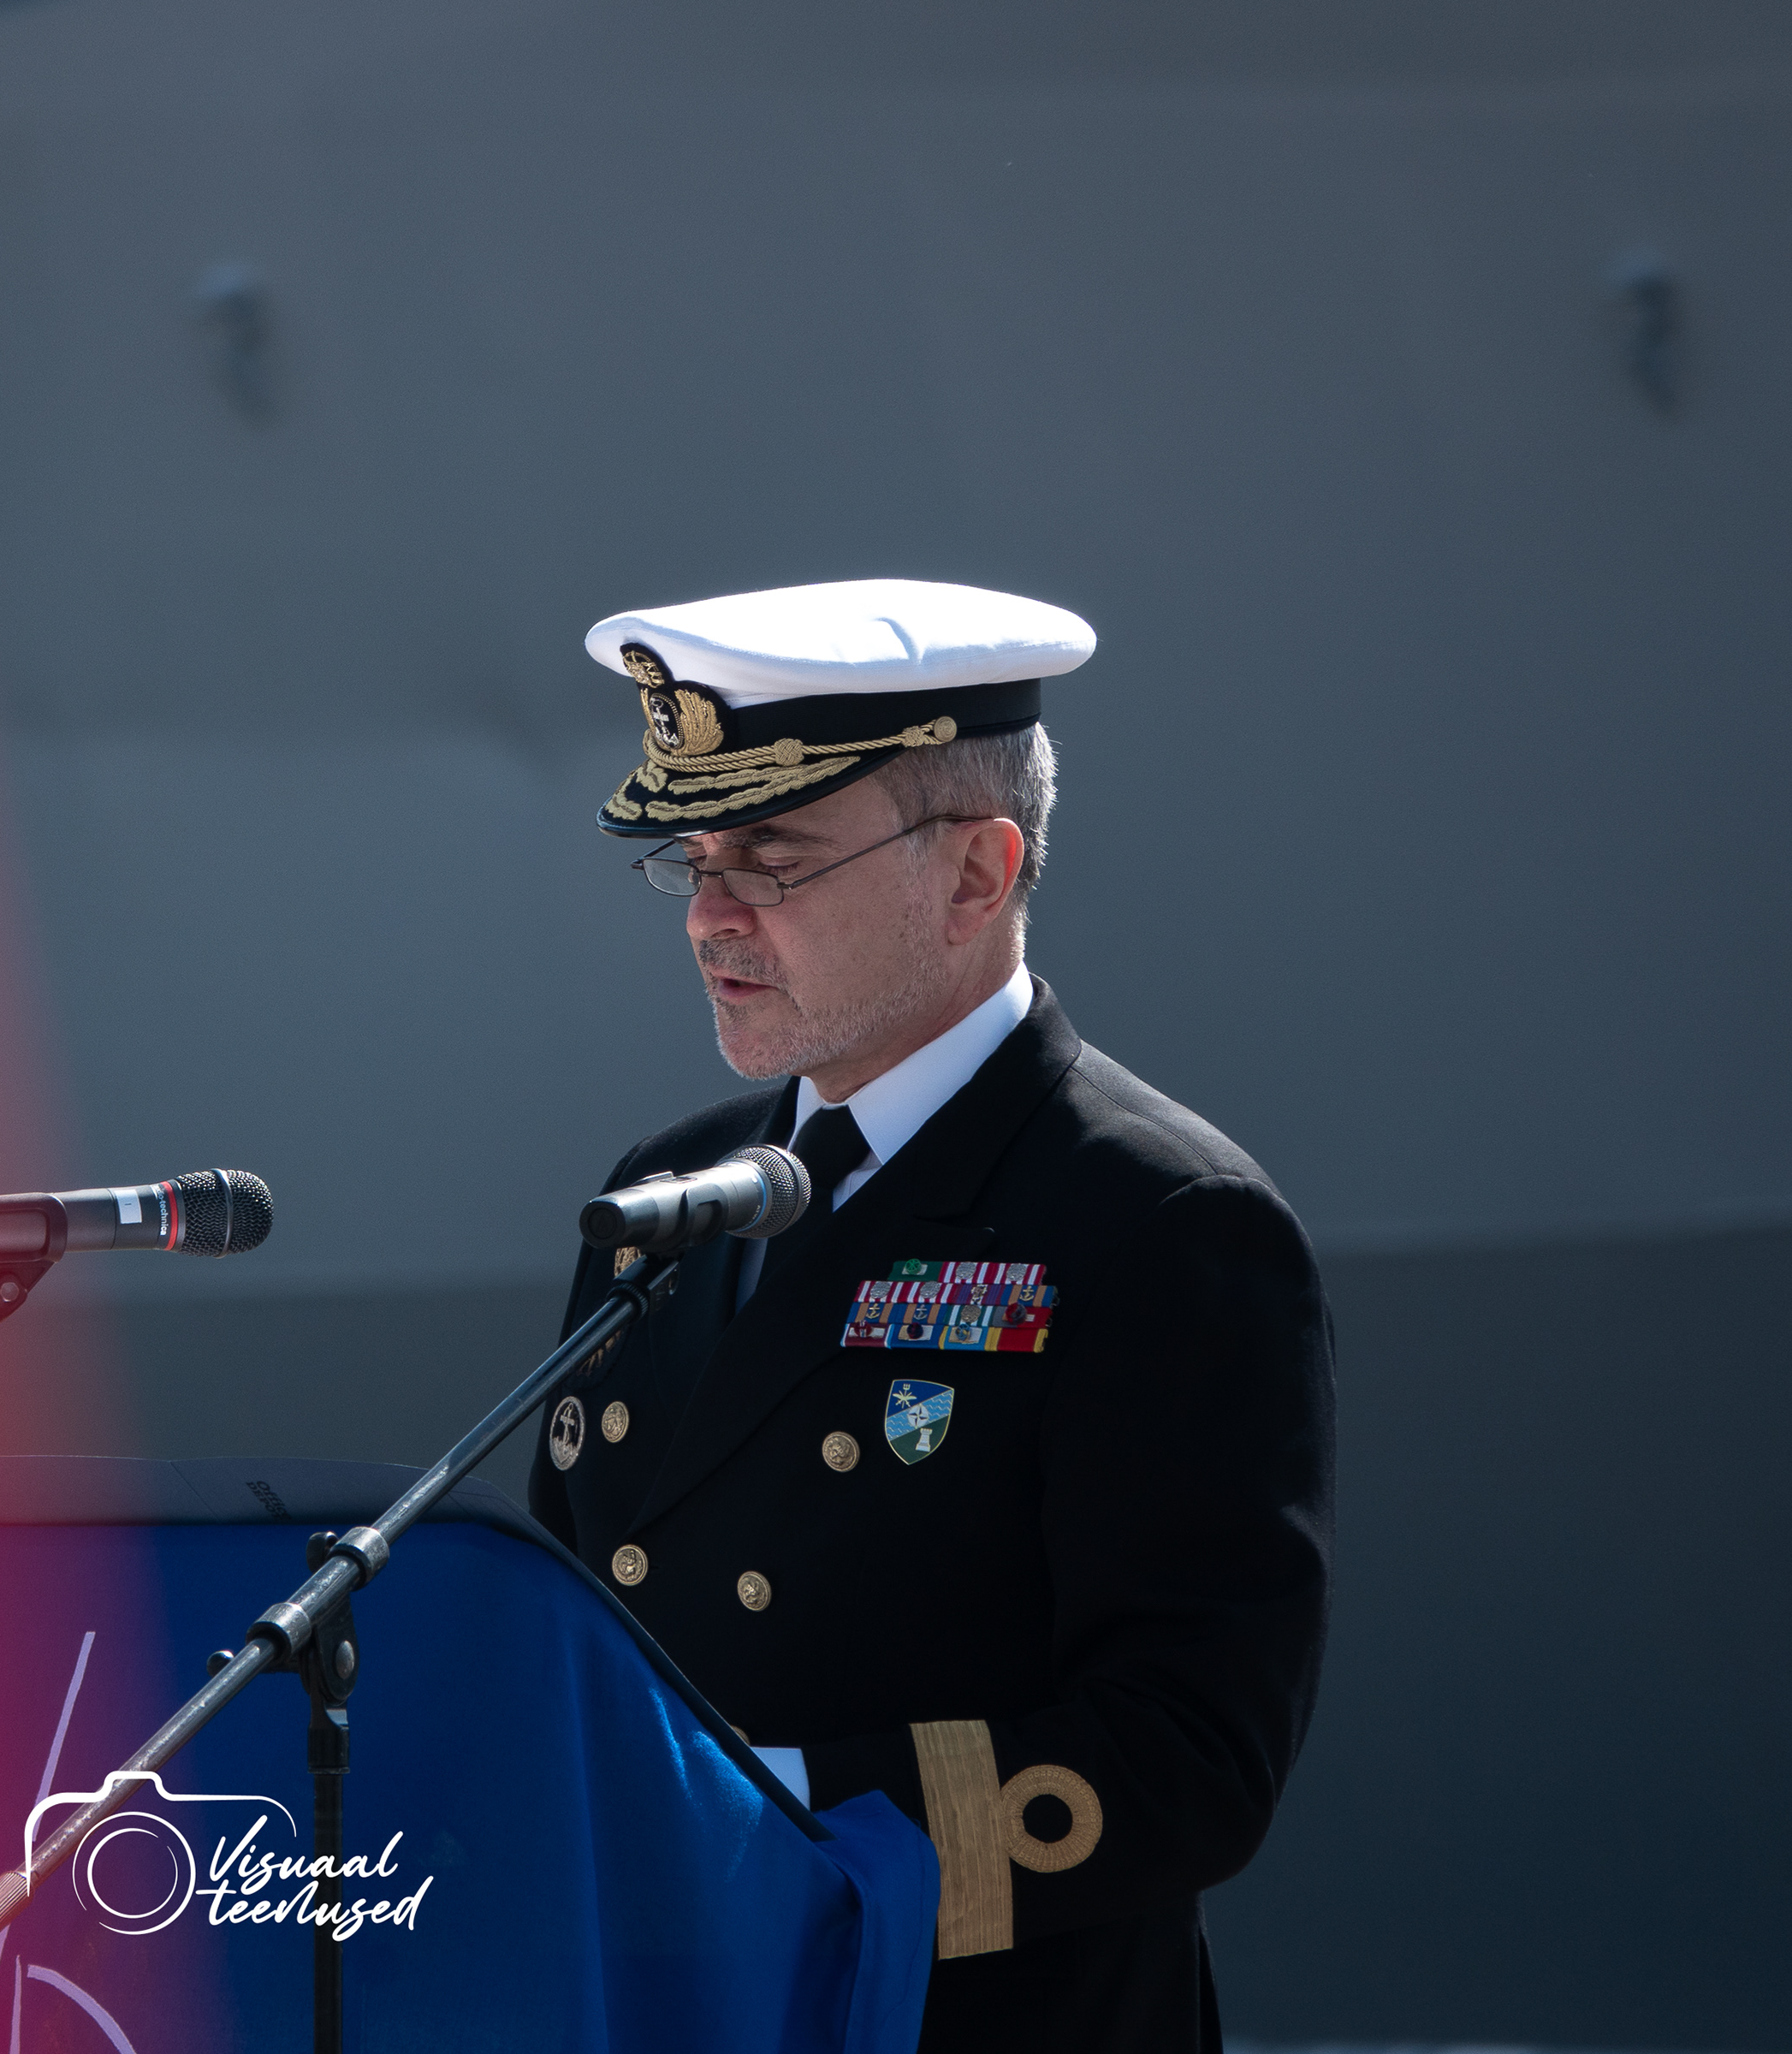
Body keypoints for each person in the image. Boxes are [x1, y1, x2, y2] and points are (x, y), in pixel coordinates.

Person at [525, 579, 1332, 2053]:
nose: (710, 916)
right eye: (693, 860)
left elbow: (1189, 1758)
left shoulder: (1157, 1220)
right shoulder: (669, 1193)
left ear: (973, 873)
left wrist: (762, 1817)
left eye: (772, 859)